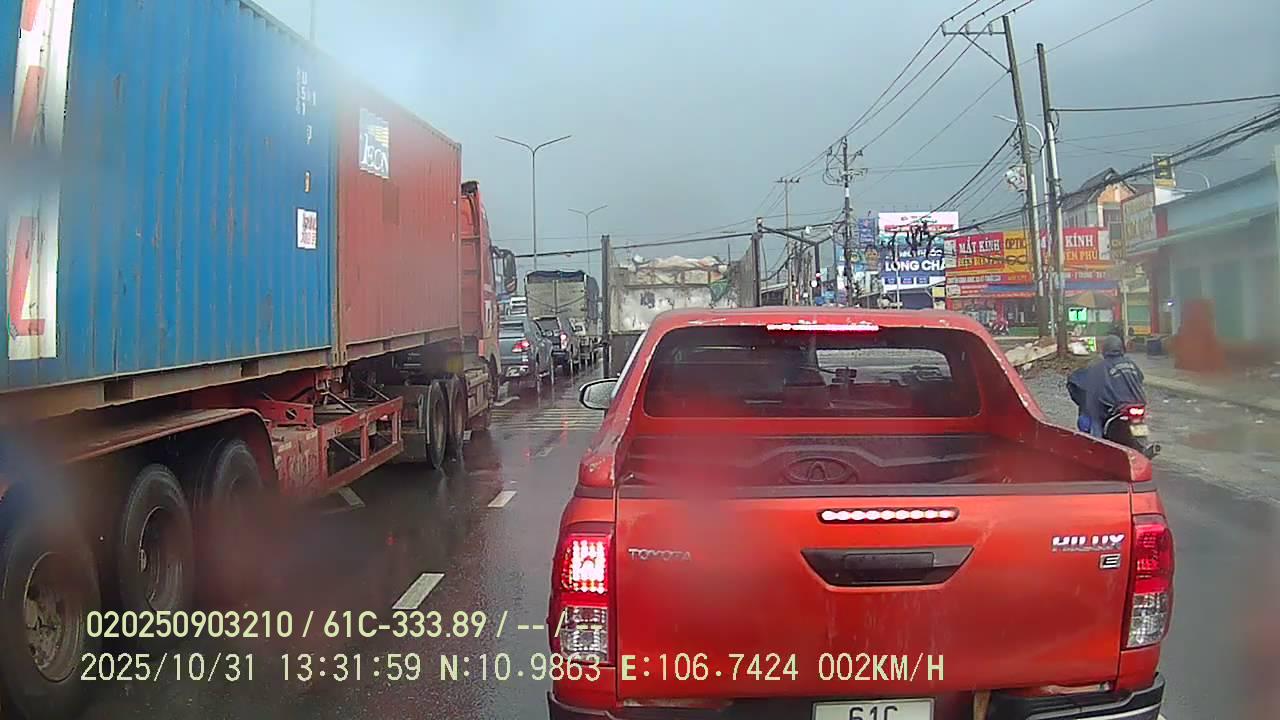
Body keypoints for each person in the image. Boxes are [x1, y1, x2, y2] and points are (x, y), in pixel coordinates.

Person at [1079, 334, 1146, 437]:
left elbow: (1094, 387)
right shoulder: (1130, 363)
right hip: (1138, 403)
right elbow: (1140, 378)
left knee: (1095, 419)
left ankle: (1097, 443)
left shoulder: (1100, 367)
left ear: (1105, 349)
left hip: (1117, 407)